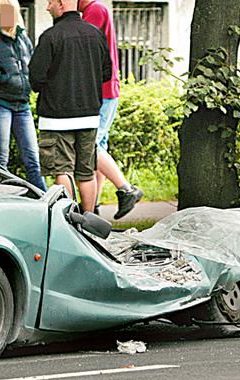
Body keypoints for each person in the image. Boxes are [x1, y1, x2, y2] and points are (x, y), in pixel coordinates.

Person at [29, 0, 111, 212]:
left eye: (50, 3)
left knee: (62, 171)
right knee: (86, 172)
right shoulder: (95, 34)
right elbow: (107, 73)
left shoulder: (50, 37)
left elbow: (36, 79)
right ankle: (89, 221)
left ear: (61, 3)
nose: (47, 7)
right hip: (89, 115)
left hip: (56, 118)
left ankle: (69, 221)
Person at [0, 0, 47, 191]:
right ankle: (1, 205)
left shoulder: (22, 37)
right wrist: (3, 79)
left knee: (33, 160)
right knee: (0, 160)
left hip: (22, 106)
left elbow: (31, 66)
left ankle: (47, 205)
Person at [78, 0, 143, 219]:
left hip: (101, 91)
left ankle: (126, 189)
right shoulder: (97, 9)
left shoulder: (94, 10)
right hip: (107, 90)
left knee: (90, 146)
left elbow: (83, 48)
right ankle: (93, 206)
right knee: (99, 148)